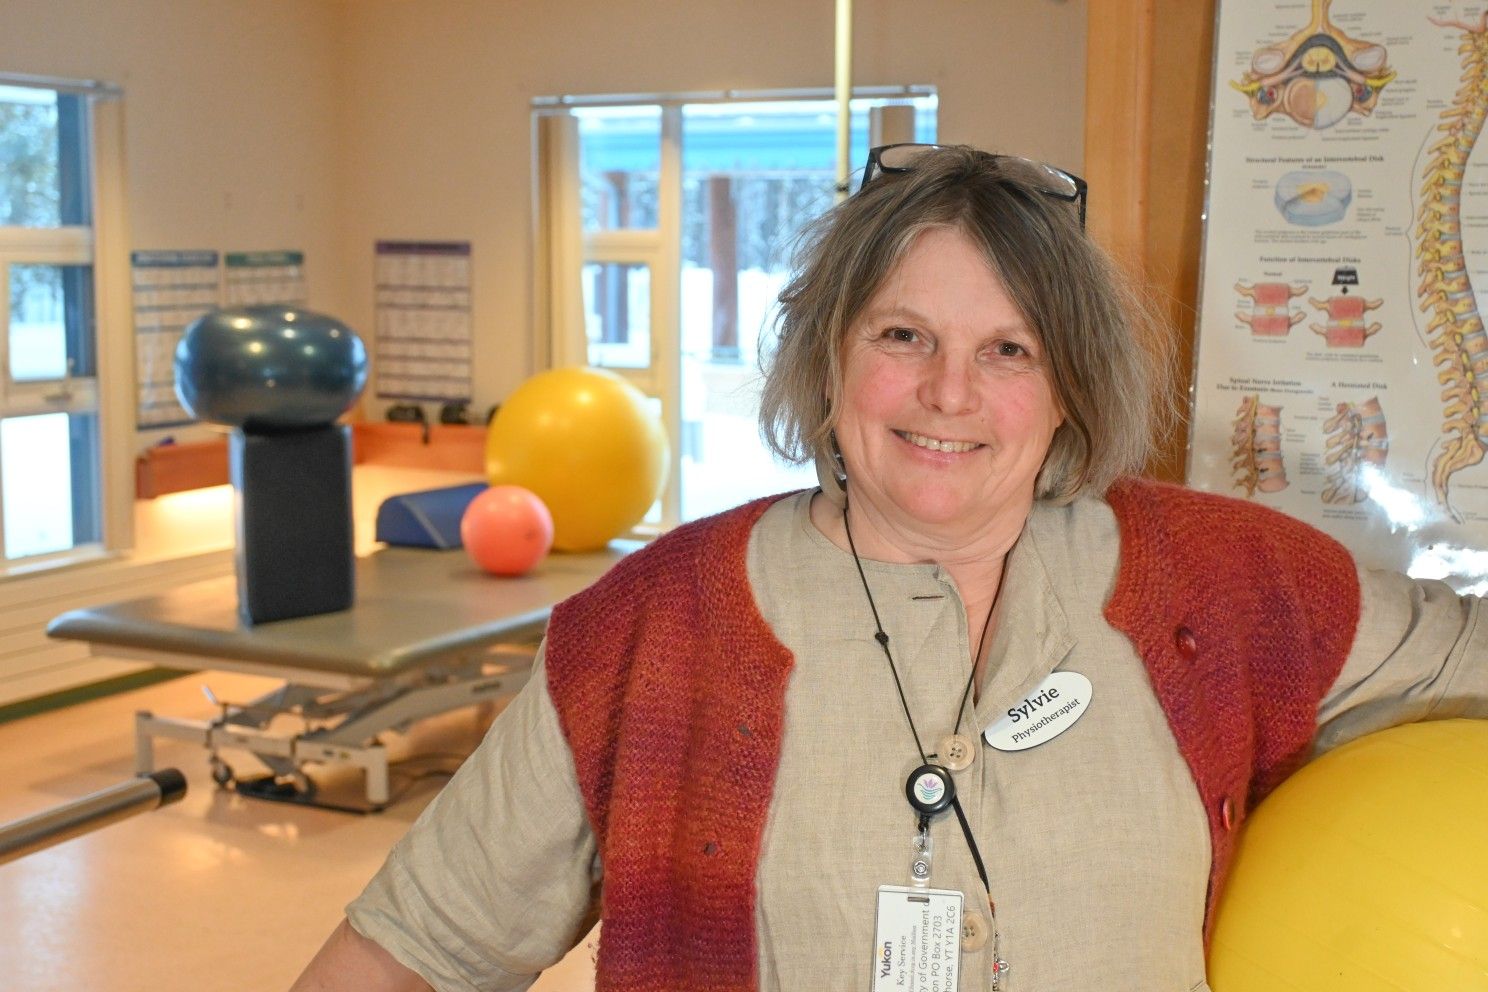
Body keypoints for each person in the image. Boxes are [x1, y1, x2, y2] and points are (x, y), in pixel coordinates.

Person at [291, 145, 1488, 992]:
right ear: (827, 357)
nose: (949, 393)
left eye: (1008, 348)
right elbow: (412, 951)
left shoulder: (1227, 582)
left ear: (1068, 386)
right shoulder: (652, 631)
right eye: (902, 336)